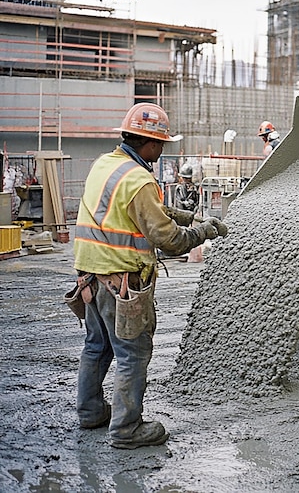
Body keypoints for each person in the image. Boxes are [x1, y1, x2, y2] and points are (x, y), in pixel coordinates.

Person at [72, 102, 227, 450]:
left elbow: (143, 210)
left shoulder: (107, 165)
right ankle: (126, 429)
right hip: (122, 281)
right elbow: (168, 240)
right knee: (133, 353)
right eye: (161, 144)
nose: (162, 150)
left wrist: (186, 216)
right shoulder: (139, 179)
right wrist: (203, 231)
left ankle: (91, 412)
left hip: (90, 277)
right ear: (151, 143)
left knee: (97, 346)